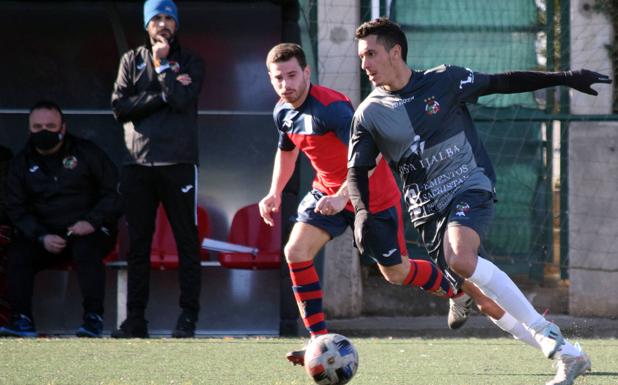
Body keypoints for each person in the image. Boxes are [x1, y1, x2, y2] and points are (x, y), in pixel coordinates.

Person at [348, 18, 611, 385]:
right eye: (361, 57)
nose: (365, 64)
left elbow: (505, 82)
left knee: (461, 257)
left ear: (395, 52)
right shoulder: (368, 114)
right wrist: (361, 212)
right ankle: (570, 356)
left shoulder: (445, 79)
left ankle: (542, 328)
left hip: (470, 186)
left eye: (371, 54)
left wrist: (565, 77)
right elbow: (356, 172)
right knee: (489, 304)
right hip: (427, 213)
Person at [260, 43, 512, 366]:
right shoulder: (282, 111)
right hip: (326, 192)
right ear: (270, 80)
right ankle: (318, 342)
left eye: (293, 75)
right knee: (295, 252)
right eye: (278, 78)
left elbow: (372, 153)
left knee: (396, 272)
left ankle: (457, 292)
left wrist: (342, 197)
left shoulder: (332, 110)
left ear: (307, 73)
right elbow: (287, 150)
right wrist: (274, 192)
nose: (286, 84)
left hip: (371, 195)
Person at [110, 0, 204, 338]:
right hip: (137, 165)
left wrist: (164, 69)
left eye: (168, 18)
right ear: (147, 25)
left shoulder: (191, 60)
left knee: (186, 243)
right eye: (156, 18)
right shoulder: (130, 60)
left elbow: (182, 100)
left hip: (178, 163)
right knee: (138, 244)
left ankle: (188, 317)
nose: (162, 24)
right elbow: (120, 108)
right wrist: (162, 92)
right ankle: (135, 319)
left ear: (176, 24)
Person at [0, 100, 121, 338]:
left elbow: (114, 193)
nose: (44, 132)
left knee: (87, 250)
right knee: (17, 253)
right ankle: (21, 319)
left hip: (87, 230)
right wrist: (40, 235)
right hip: (43, 236)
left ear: (62, 128)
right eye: (37, 127)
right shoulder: (20, 164)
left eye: (50, 126)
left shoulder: (87, 153)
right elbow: (16, 208)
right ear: (29, 129)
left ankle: (93, 319)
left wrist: (92, 221)